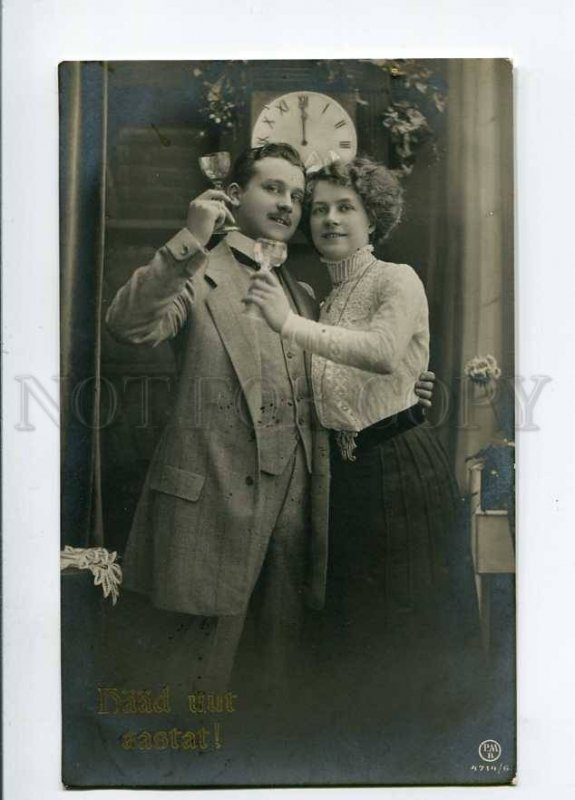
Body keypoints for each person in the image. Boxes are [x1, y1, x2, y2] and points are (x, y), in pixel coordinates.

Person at [105, 144, 435, 705]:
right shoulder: (197, 271)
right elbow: (128, 325)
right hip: (208, 514)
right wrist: (188, 239)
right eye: (272, 189)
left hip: (297, 523)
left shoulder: (304, 297)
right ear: (233, 197)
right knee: (190, 695)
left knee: (274, 697)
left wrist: (407, 390)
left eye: (296, 196)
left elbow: (347, 377)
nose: (288, 205)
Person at [246, 156, 480, 732]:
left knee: (407, 623)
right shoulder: (321, 299)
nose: (329, 219)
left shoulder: (396, 279)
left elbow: (378, 352)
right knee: (356, 629)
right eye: (319, 208)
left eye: (345, 207)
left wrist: (285, 324)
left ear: (372, 217)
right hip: (344, 478)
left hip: (400, 465)